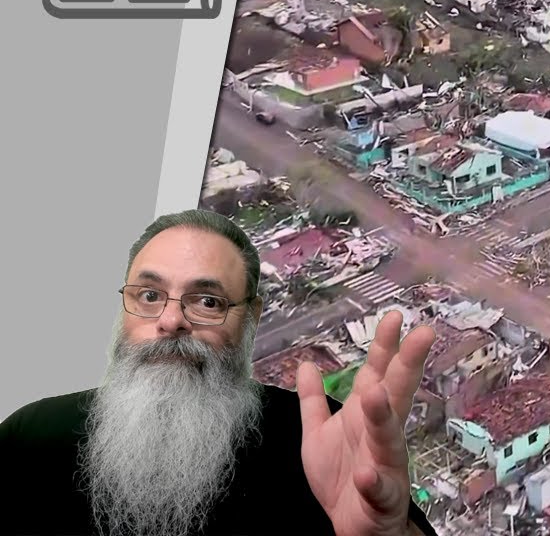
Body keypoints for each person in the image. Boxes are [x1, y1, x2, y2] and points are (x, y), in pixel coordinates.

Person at [0, 210, 439, 536]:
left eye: (207, 301)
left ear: (251, 319)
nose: (171, 321)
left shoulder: (322, 439)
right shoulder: (32, 437)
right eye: (149, 294)